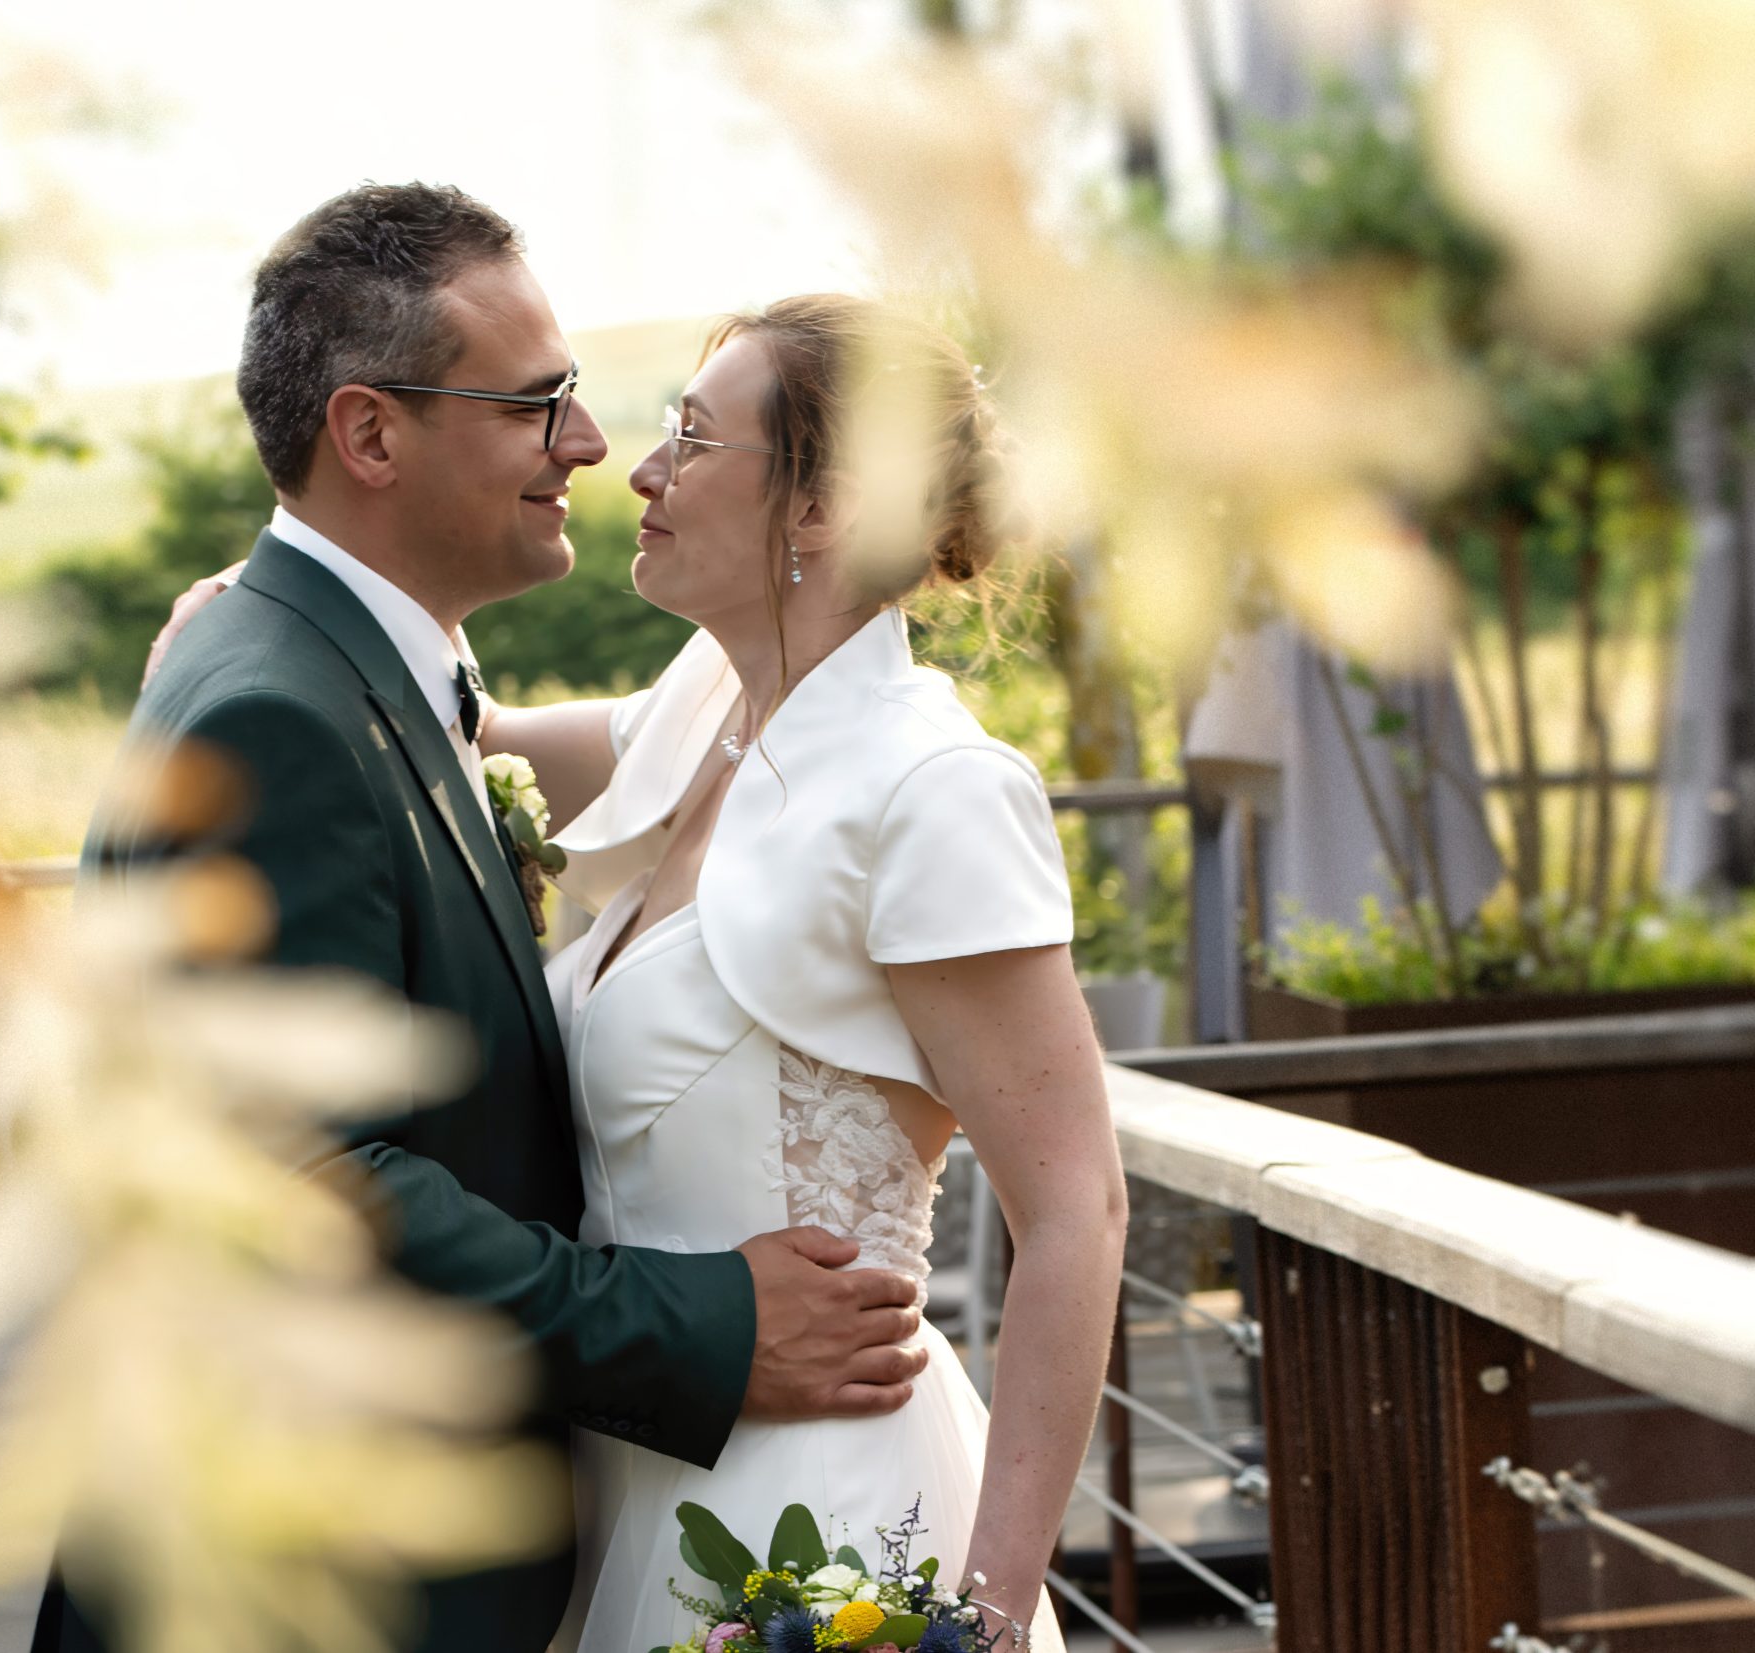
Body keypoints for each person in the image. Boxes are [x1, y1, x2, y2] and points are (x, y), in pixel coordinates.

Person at [151, 291, 1129, 1648]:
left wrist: (987, 1611)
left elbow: (1077, 1204)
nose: (638, 465)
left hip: (828, 1504)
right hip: (633, 1470)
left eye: (692, 435)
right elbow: (438, 717)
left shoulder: (936, 786)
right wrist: (253, 622)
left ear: (824, 509)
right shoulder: (706, 710)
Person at [39, 185, 931, 1653]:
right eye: (538, 405)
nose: (588, 448)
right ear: (372, 434)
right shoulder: (277, 711)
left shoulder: (367, 681)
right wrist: (698, 1325)